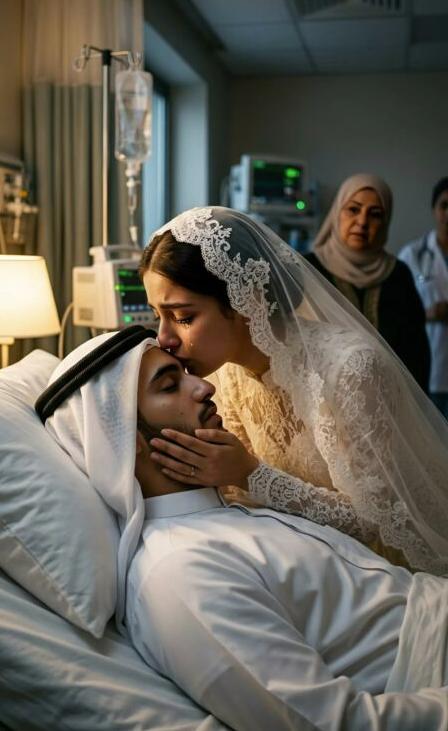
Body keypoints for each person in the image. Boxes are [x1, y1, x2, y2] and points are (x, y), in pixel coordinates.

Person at [38, 330, 448, 731]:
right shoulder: (180, 575)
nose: (204, 387)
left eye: (185, 374)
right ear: (126, 439)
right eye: (169, 386)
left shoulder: (226, 509)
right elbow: (331, 722)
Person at [139, 206, 448, 575]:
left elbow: (377, 522)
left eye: (183, 317)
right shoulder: (225, 375)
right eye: (157, 315)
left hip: (382, 570)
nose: (164, 338)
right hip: (297, 562)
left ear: (246, 299)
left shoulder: (351, 369)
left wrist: (251, 475)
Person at [305, 173, 430, 391]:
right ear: (337, 212)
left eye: (375, 214)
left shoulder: (398, 274)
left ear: (385, 222)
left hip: (391, 402)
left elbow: (417, 356)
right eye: (353, 209)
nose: (362, 222)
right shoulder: (307, 268)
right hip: (320, 400)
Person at [399, 177, 448, 419]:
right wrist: (429, 313)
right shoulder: (412, 255)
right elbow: (398, 312)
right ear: (434, 209)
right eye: (444, 205)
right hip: (430, 370)